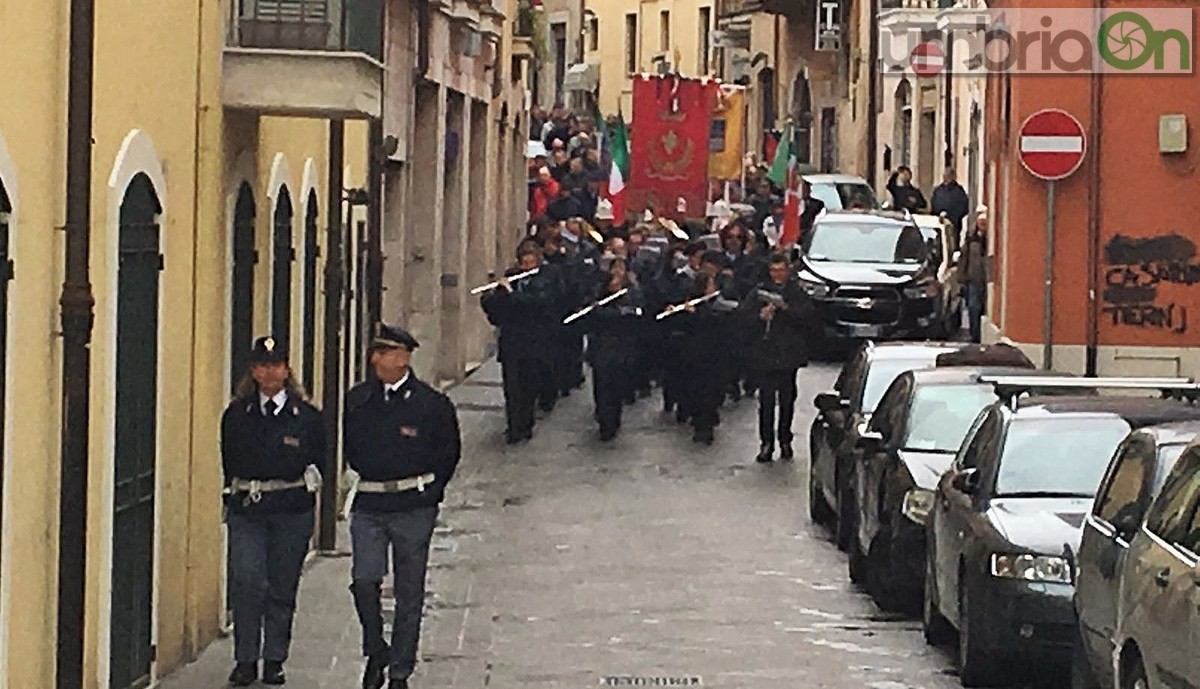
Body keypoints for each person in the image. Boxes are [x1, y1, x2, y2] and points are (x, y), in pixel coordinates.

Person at [344, 324, 462, 689]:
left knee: (410, 590)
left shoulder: (430, 403)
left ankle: (399, 669)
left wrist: (431, 494)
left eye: (389, 353)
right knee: (365, 579)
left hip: (413, 504)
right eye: (378, 353)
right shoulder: (358, 399)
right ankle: (376, 649)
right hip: (370, 502)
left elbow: (448, 452)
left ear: (404, 358)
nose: (380, 359)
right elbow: (350, 447)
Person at [221, 336, 327, 686]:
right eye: (263, 366)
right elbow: (230, 464)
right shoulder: (237, 415)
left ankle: (274, 659)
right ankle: (246, 659)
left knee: (282, 587)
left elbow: (317, 460)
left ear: (286, 370)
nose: (269, 372)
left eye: (276, 365)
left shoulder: (306, 416)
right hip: (249, 509)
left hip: (290, 511)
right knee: (247, 581)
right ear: (253, 371)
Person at [480, 241, 557, 443]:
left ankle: (526, 423)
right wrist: (493, 294)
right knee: (512, 388)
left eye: (531, 263)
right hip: (512, 342)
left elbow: (538, 304)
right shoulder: (511, 277)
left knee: (530, 386)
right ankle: (514, 427)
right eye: (524, 263)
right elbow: (496, 309)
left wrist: (512, 294)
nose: (527, 267)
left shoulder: (546, 278)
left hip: (535, 342)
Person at [741, 257, 815, 462]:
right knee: (765, 401)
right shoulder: (758, 291)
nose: (777, 275)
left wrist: (785, 309)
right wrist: (759, 317)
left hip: (787, 355)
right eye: (773, 271)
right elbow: (744, 317)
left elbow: (807, 317)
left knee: (786, 400)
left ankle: (785, 439)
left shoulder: (796, 292)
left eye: (780, 270)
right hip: (765, 353)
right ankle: (766, 443)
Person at [584, 257, 645, 440]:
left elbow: (637, 314)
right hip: (601, 347)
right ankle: (604, 421)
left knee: (616, 386)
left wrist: (619, 312)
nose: (617, 274)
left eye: (621, 269)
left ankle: (613, 420)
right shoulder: (599, 291)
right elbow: (593, 315)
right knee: (601, 386)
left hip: (622, 348)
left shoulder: (633, 293)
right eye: (614, 270)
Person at [960, 207, 989, 343]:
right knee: (973, 307)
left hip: (987, 280)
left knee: (982, 308)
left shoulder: (989, 240)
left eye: (985, 223)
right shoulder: (971, 238)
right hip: (973, 279)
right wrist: (962, 276)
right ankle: (974, 334)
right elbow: (964, 257)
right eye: (980, 222)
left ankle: (979, 334)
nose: (982, 226)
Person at [931, 168, 970, 232]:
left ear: (953, 177)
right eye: (945, 175)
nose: (946, 178)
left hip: (954, 224)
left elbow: (964, 207)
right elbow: (933, 204)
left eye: (949, 176)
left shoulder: (959, 191)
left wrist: (952, 217)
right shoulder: (938, 190)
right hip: (938, 223)